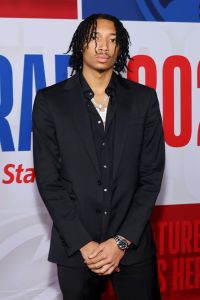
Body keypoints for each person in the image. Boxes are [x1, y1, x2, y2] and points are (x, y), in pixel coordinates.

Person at [32, 13, 165, 300]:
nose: (103, 46)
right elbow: (49, 180)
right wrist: (85, 245)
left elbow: (151, 175)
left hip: (133, 247)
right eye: (95, 37)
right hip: (77, 249)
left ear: (120, 49)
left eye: (112, 40)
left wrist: (121, 241)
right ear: (81, 44)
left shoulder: (143, 100)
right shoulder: (50, 102)